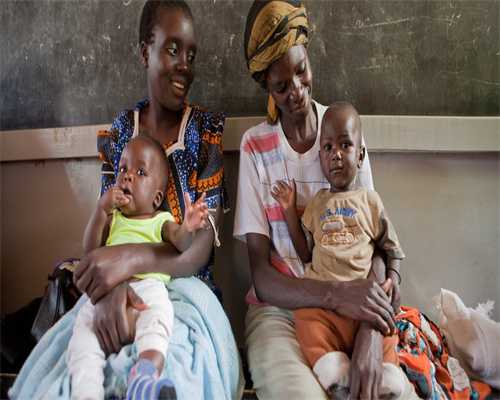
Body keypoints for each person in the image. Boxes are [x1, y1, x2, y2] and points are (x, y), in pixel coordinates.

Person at [9, 1, 242, 399]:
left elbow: (198, 251)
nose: (184, 65)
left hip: (185, 288)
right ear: (144, 51)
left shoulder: (205, 133)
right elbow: (104, 231)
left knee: (178, 365)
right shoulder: (120, 131)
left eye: (191, 55)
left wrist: (128, 261)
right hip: (112, 283)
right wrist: (109, 289)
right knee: (71, 366)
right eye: (172, 49)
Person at [234, 1, 417, 399]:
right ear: (267, 87)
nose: (297, 91)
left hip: (358, 306)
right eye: (281, 86)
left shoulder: (344, 131)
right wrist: (335, 294)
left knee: (390, 390)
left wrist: (370, 330)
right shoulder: (255, 148)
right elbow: (262, 278)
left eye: (301, 71)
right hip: (281, 312)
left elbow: (375, 246)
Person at [271, 102, 406, 399]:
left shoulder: (371, 202)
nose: (336, 154)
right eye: (328, 147)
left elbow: (391, 248)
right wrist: (289, 211)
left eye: (345, 145)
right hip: (326, 306)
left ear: (361, 155)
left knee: (386, 325)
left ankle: (387, 374)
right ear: (320, 157)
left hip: (364, 301)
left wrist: (393, 279)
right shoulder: (317, 204)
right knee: (305, 318)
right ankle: (334, 371)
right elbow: (305, 254)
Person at [68, 136, 209, 400]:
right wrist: (100, 211)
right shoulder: (114, 219)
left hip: (148, 289)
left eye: (140, 172)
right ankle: (86, 391)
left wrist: (188, 227)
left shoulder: (160, 219)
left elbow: (181, 243)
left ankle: (144, 376)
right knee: (83, 335)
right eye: (123, 168)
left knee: (157, 322)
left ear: (156, 199)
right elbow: (90, 252)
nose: (127, 175)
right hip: (107, 289)